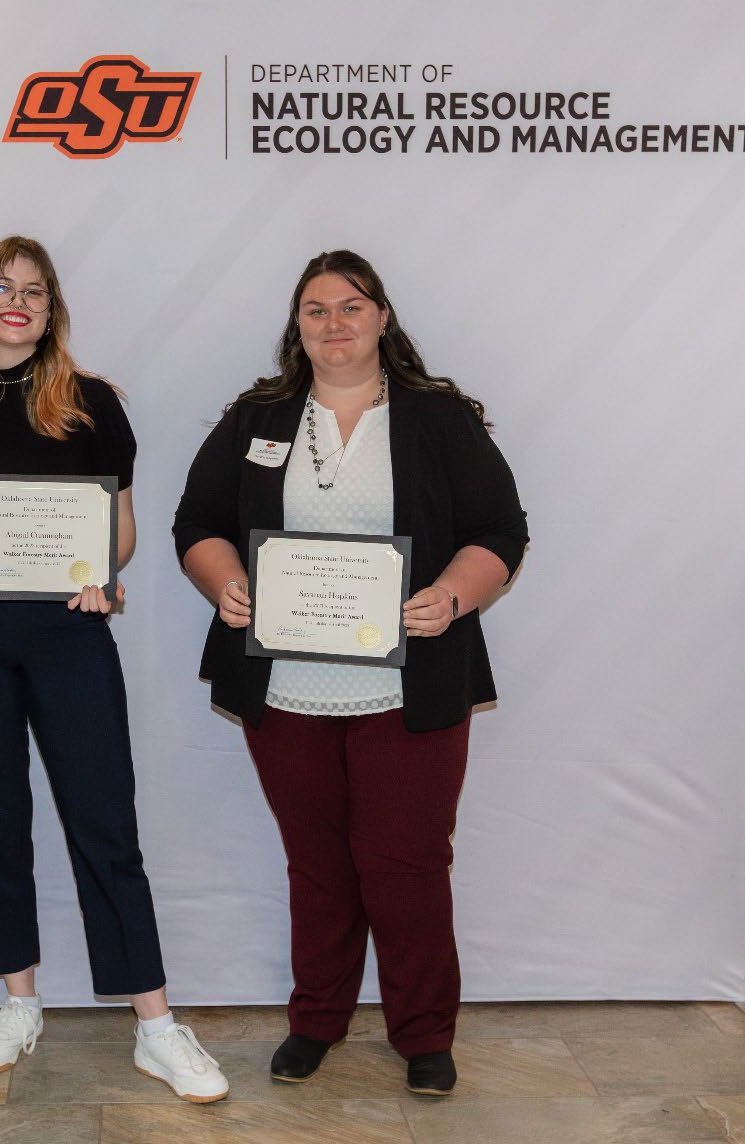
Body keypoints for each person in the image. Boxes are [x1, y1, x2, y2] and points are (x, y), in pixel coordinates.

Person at [173, 250, 528, 1097]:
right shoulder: (257, 417)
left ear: (382, 319)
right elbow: (198, 522)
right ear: (295, 327)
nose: (334, 324)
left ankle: (423, 1033)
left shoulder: (438, 418)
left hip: (410, 686)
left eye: (351, 307)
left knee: (404, 863)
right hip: (286, 687)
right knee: (317, 862)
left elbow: (500, 530)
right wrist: (223, 582)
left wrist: (449, 595)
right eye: (315, 310)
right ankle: (316, 1020)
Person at [0, 235, 228, 1104]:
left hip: (69, 634)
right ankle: (18, 1002)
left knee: (103, 822)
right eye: (3, 288)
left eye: (36, 293)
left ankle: (156, 1025)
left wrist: (103, 576)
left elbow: (118, 526)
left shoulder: (91, 403)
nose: (18, 303)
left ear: (53, 311)